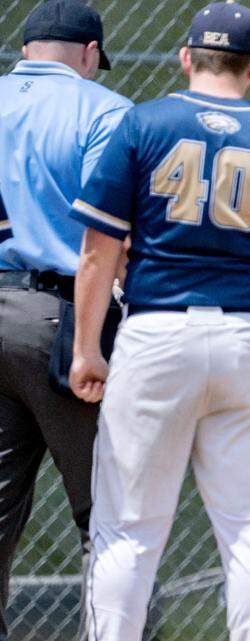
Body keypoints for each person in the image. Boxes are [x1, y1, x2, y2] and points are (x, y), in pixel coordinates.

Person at [67, 3, 250, 639]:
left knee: (129, 529)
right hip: (245, 333)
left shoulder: (143, 126)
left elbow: (98, 252)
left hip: (156, 332)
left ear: (185, 57)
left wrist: (85, 348)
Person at [0, 1, 130, 635]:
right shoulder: (103, 109)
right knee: (109, 517)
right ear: (87, 54)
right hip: (61, 319)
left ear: (25, 51)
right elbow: (107, 239)